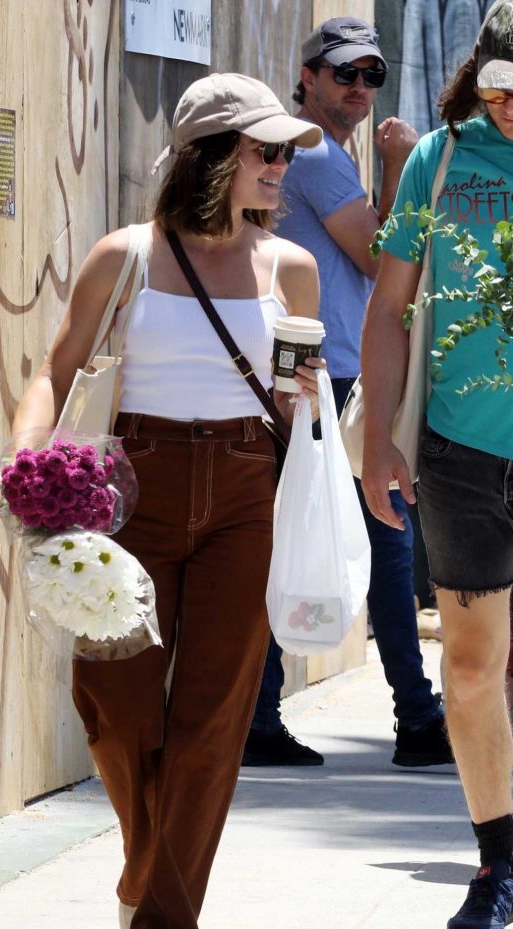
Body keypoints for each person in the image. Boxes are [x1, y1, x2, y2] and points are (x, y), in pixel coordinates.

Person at [0, 73, 323, 929]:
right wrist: (25, 461)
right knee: (116, 703)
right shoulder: (124, 255)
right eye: (268, 151)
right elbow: (55, 372)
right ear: (215, 156)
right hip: (130, 489)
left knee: (213, 714)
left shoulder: (289, 268)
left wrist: (316, 409)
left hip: (248, 491)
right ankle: (147, 865)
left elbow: (298, 408)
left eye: (285, 153)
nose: (283, 169)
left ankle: (167, 921)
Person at [243, 16, 454, 770]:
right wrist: (399, 164)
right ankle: (415, 717)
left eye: (372, 76)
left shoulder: (303, 150)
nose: (360, 89)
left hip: (320, 368)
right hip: (327, 372)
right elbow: (378, 255)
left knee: (311, 538)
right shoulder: (319, 155)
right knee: (385, 537)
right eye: (344, 74)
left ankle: (266, 717)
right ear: (307, 78)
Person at [360, 0, 513, 929]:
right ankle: (498, 861)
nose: (510, 110)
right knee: (469, 664)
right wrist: (381, 440)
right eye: (500, 89)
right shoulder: (440, 159)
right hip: (460, 452)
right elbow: (387, 308)